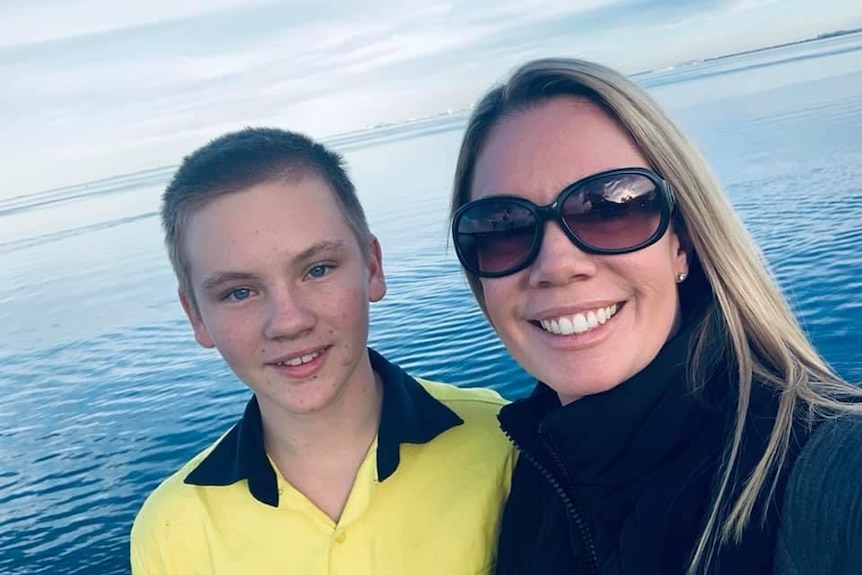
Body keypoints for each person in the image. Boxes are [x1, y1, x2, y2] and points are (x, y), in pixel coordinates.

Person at [448, 58, 862, 575]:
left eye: (611, 208)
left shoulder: (832, 471)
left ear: (681, 243)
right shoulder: (530, 472)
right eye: (500, 228)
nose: (556, 265)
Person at [131, 127, 514, 574]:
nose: (289, 321)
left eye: (317, 269)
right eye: (239, 292)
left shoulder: (503, 441)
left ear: (372, 267)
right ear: (196, 315)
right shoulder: (171, 530)